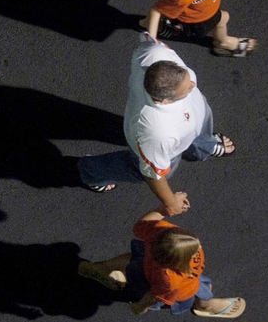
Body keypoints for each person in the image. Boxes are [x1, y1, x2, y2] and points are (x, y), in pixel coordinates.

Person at [77, 32, 235, 215]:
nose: (193, 85)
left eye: (187, 78)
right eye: (187, 88)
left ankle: (203, 146)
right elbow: (153, 173)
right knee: (135, 167)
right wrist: (170, 203)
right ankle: (91, 173)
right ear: (165, 100)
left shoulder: (154, 53)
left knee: (198, 132)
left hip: (194, 120)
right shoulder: (156, 133)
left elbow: (152, 40)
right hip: (165, 148)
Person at [77, 207, 245, 317]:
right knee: (198, 288)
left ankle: (99, 268)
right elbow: (154, 297)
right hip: (169, 285)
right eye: (195, 249)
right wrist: (140, 307)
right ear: (180, 262)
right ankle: (204, 304)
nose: (199, 245)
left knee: (133, 259)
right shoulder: (172, 281)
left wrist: (166, 207)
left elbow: (142, 224)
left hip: (145, 264)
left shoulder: (161, 233)